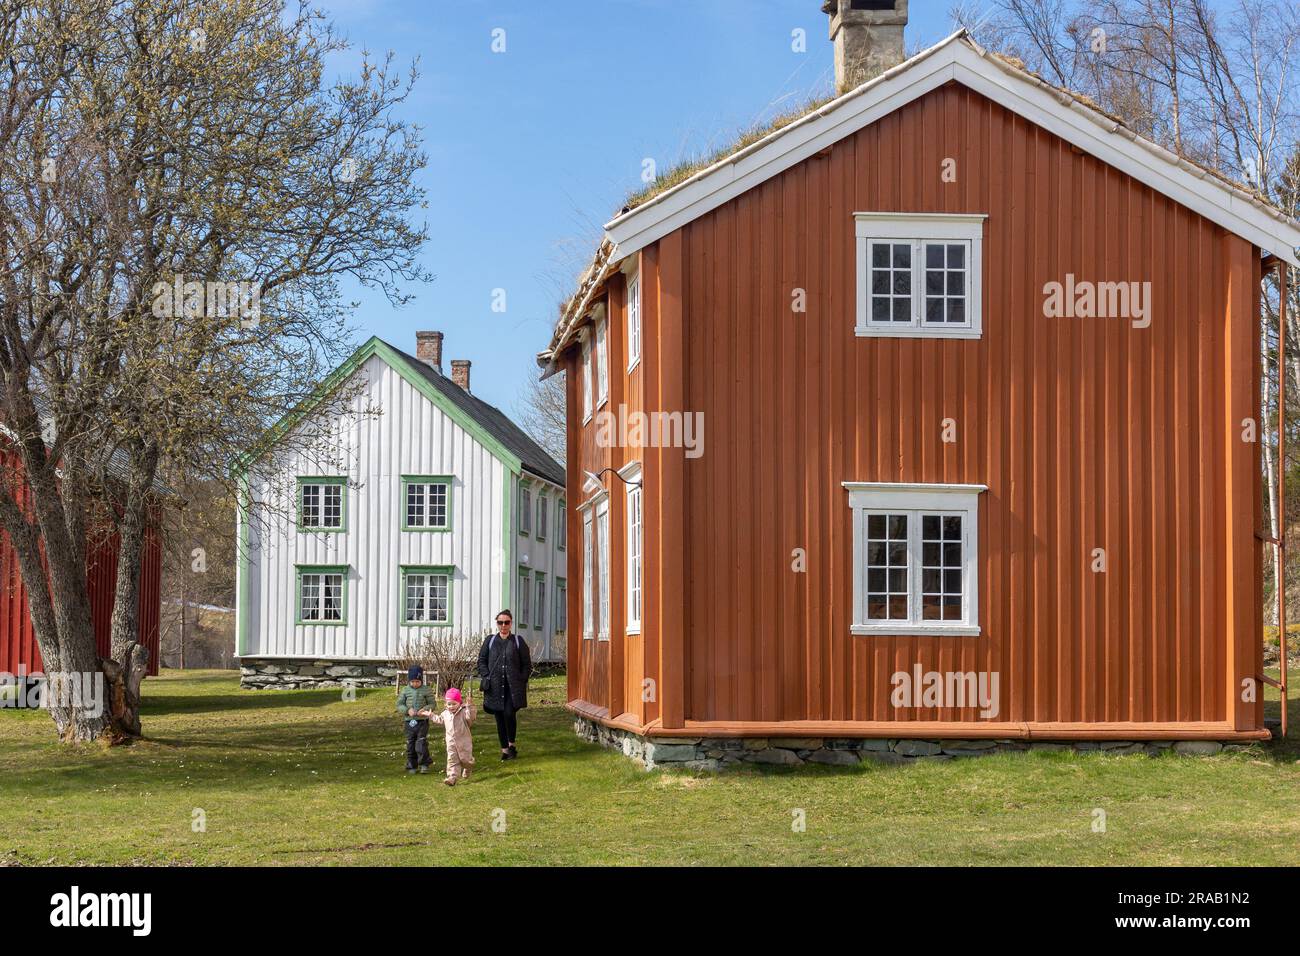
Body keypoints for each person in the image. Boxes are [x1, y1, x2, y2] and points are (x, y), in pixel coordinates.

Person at [477, 609, 532, 761]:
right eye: (500, 622)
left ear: (511, 623)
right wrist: (486, 675)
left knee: (509, 714)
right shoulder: (490, 641)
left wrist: (522, 679)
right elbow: (481, 661)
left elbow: (527, 664)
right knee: (499, 718)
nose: (503, 625)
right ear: (497, 624)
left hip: (512, 688)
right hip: (494, 687)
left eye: (506, 622)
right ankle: (505, 750)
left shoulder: (518, 641)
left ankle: (512, 744)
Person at [425, 687, 475, 786]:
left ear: (459, 703)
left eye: (454, 704)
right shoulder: (445, 713)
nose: (451, 706)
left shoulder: (464, 712)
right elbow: (439, 719)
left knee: (465, 760)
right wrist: (431, 715)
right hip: (451, 742)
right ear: (445, 704)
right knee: (452, 759)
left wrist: (470, 705)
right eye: (449, 704)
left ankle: (468, 767)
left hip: (464, 741)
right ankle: (452, 777)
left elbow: (471, 717)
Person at [395, 665, 436, 774]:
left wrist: (425, 710)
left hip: (422, 722)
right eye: (412, 681)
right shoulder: (405, 690)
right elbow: (399, 704)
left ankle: (424, 764)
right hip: (409, 722)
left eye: (417, 681)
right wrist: (407, 710)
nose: (415, 684)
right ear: (409, 681)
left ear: (421, 680)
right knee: (410, 743)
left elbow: (432, 704)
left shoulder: (426, 690)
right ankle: (412, 765)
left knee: (421, 743)